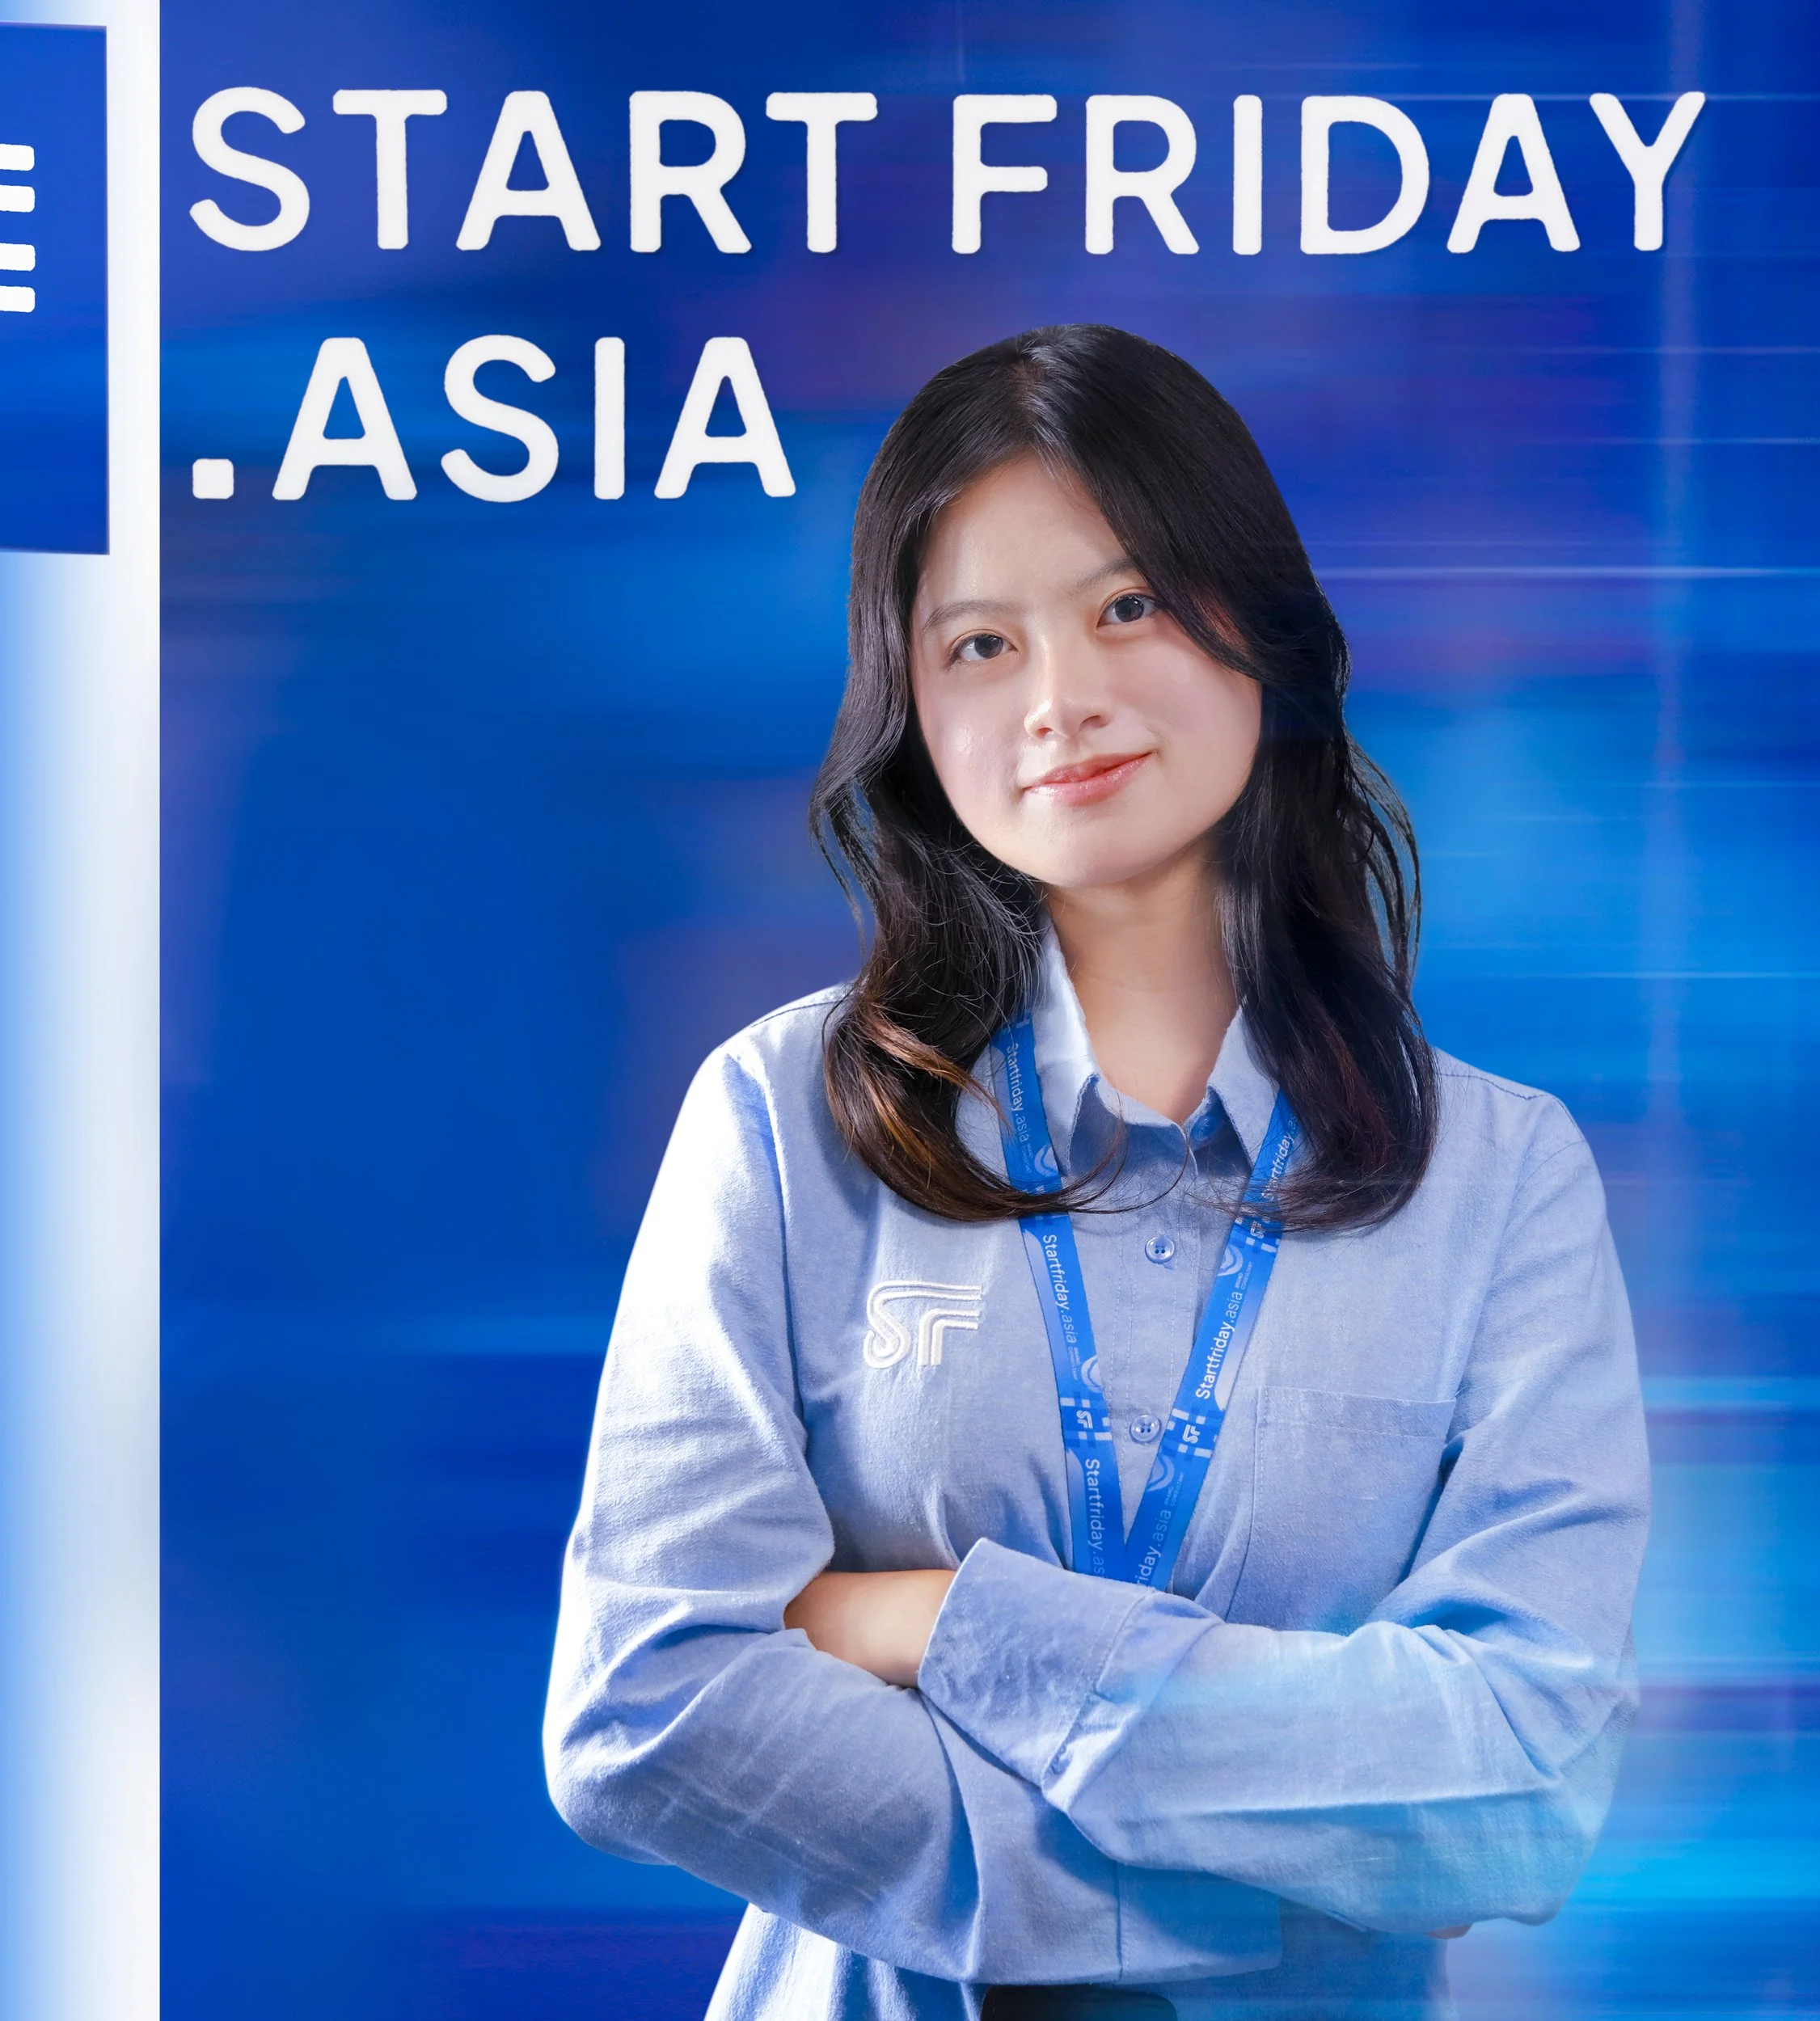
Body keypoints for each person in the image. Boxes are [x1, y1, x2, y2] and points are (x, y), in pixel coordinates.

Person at [543, 323, 1649, 2021]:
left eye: (1124, 604)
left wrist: (934, 1622)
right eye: (979, 642)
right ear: (909, 708)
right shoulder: (781, 1118)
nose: (1059, 697)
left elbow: (1514, 1784)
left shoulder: (1496, 1179)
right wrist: (1256, 1872)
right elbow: (643, 1702)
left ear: (1257, 629)